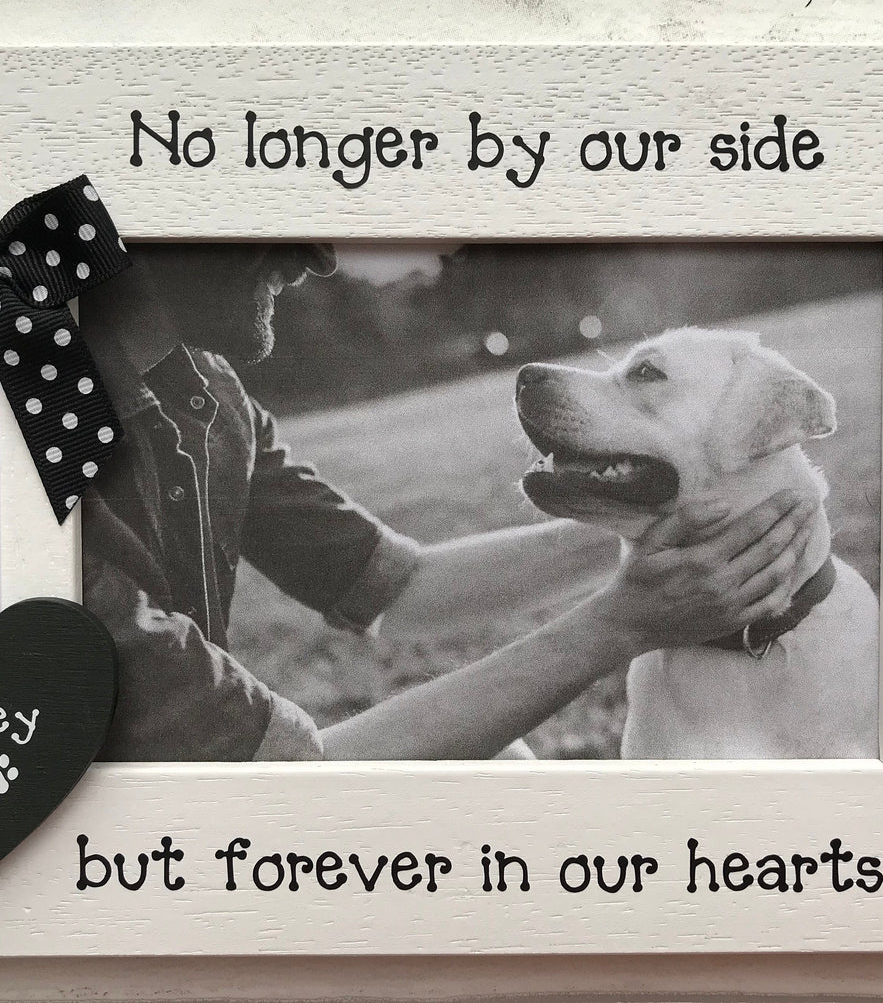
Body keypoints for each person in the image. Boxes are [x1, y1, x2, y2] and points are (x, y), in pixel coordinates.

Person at [79, 243, 816, 762]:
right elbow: (277, 777)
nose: (320, 257)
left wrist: (673, 512)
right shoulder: (22, 458)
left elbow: (399, 588)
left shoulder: (208, 396)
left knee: (500, 769)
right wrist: (616, 626)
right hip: (136, 857)